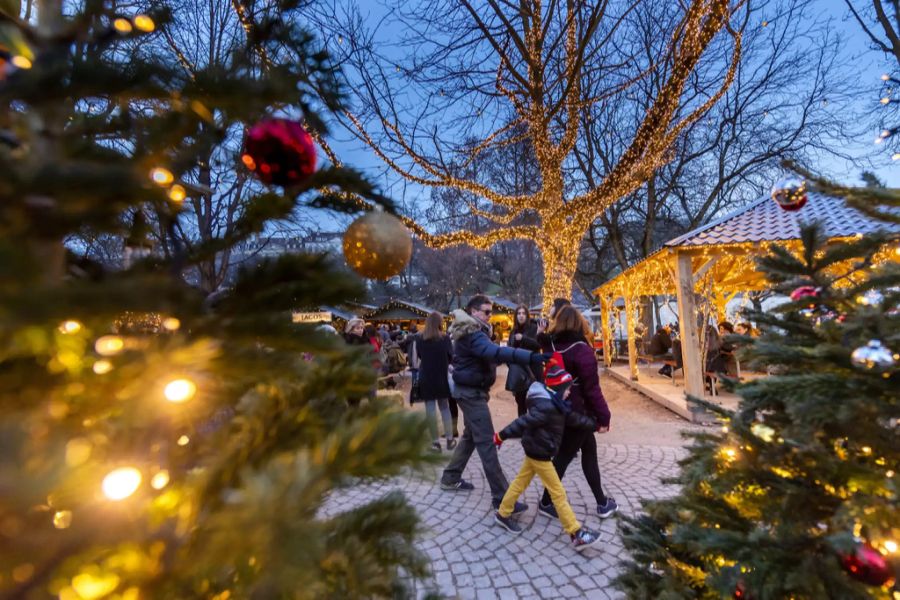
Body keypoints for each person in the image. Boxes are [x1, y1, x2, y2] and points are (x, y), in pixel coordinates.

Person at [440, 295, 549, 513]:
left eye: (491, 312)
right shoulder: (472, 333)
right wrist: (530, 356)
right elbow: (495, 352)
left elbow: (494, 356)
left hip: (471, 391)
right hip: (471, 394)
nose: (490, 315)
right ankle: (501, 497)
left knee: (471, 436)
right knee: (487, 444)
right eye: (487, 312)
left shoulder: (475, 331)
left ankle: (451, 476)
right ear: (474, 312)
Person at [493, 361, 602, 551]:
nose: (569, 393)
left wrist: (595, 425)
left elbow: (574, 419)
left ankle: (503, 513)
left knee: (520, 482)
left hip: (536, 449)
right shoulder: (546, 408)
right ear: (559, 389)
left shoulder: (557, 404)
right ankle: (576, 533)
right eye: (567, 389)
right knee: (558, 493)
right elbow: (522, 422)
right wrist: (501, 435)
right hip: (540, 453)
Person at [537, 305, 616, 520]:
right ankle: (546, 501)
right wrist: (604, 416)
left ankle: (602, 501)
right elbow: (592, 389)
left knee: (588, 450)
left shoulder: (551, 344)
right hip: (578, 412)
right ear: (579, 323)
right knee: (563, 457)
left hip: (559, 406)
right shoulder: (581, 349)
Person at [413, 312, 456, 452]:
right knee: (445, 408)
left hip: (426, 377)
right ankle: (450, 439)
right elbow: (451, 356)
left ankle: (435, 443)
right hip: (441, 376)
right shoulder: (445, 339)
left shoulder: (419, 338)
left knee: (430, 411)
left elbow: (418, 357)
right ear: (439, 323)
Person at [506, 304, 540, 416]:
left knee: (534, 401)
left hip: (532, 371)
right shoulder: (513, 331)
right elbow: (509, 349)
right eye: (519, 313)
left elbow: (538, 345)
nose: (521, 316)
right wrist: (510, 364)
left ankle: (533, 429)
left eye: (523, 313)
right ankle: (523, 428)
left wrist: (523, 338)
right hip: (518, 372)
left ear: (527, 315)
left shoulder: (534, 328)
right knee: (520, 402)